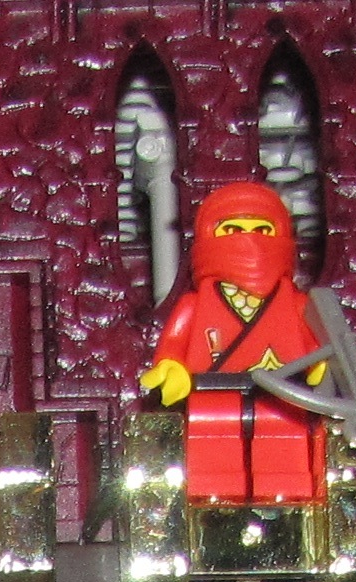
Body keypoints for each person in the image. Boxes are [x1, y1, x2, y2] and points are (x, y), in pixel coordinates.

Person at [135, 179, 330, 503]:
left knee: (284, 438)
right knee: (212, 436)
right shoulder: (195, 304)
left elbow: (315, 346)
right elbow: (174, 344)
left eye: (262, 230)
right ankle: (214, 497)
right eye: (233, 229)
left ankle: (286, 496)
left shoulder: (298, 304)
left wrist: (320, 365)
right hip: (212, 389)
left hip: (284, 393)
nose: (248, 239)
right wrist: (171, 367)